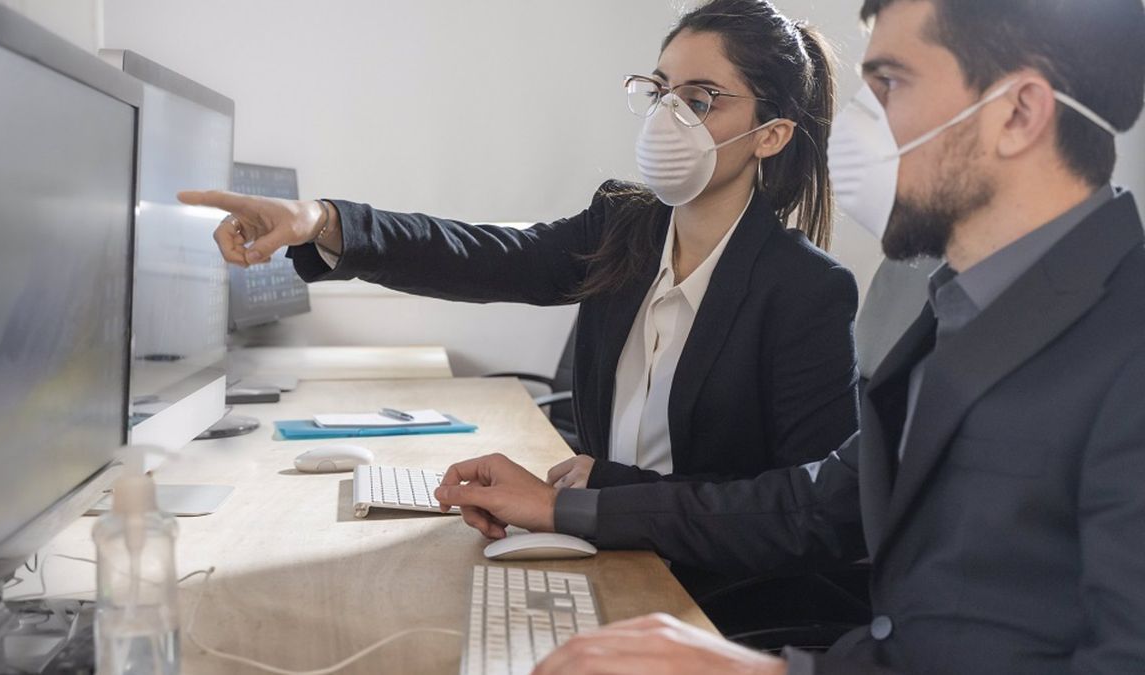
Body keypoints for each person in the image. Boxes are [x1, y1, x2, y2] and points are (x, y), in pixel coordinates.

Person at [433, 0, 1145, 673]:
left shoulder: (1124, 342)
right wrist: (564, 506)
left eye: (890, 83)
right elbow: (810, 504)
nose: (861, 126)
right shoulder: (962, 307)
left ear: (1018, 113)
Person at [183, 1, 860, 494]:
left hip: (713, 602)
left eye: (701, 99)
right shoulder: (623, 228)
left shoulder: (805, 292)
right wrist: (317, 219)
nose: (667, 117)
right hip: (606, 548)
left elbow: (801, 513)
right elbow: (479, 253)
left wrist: (603, 497)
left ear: (770, 134)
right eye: (659, 91)